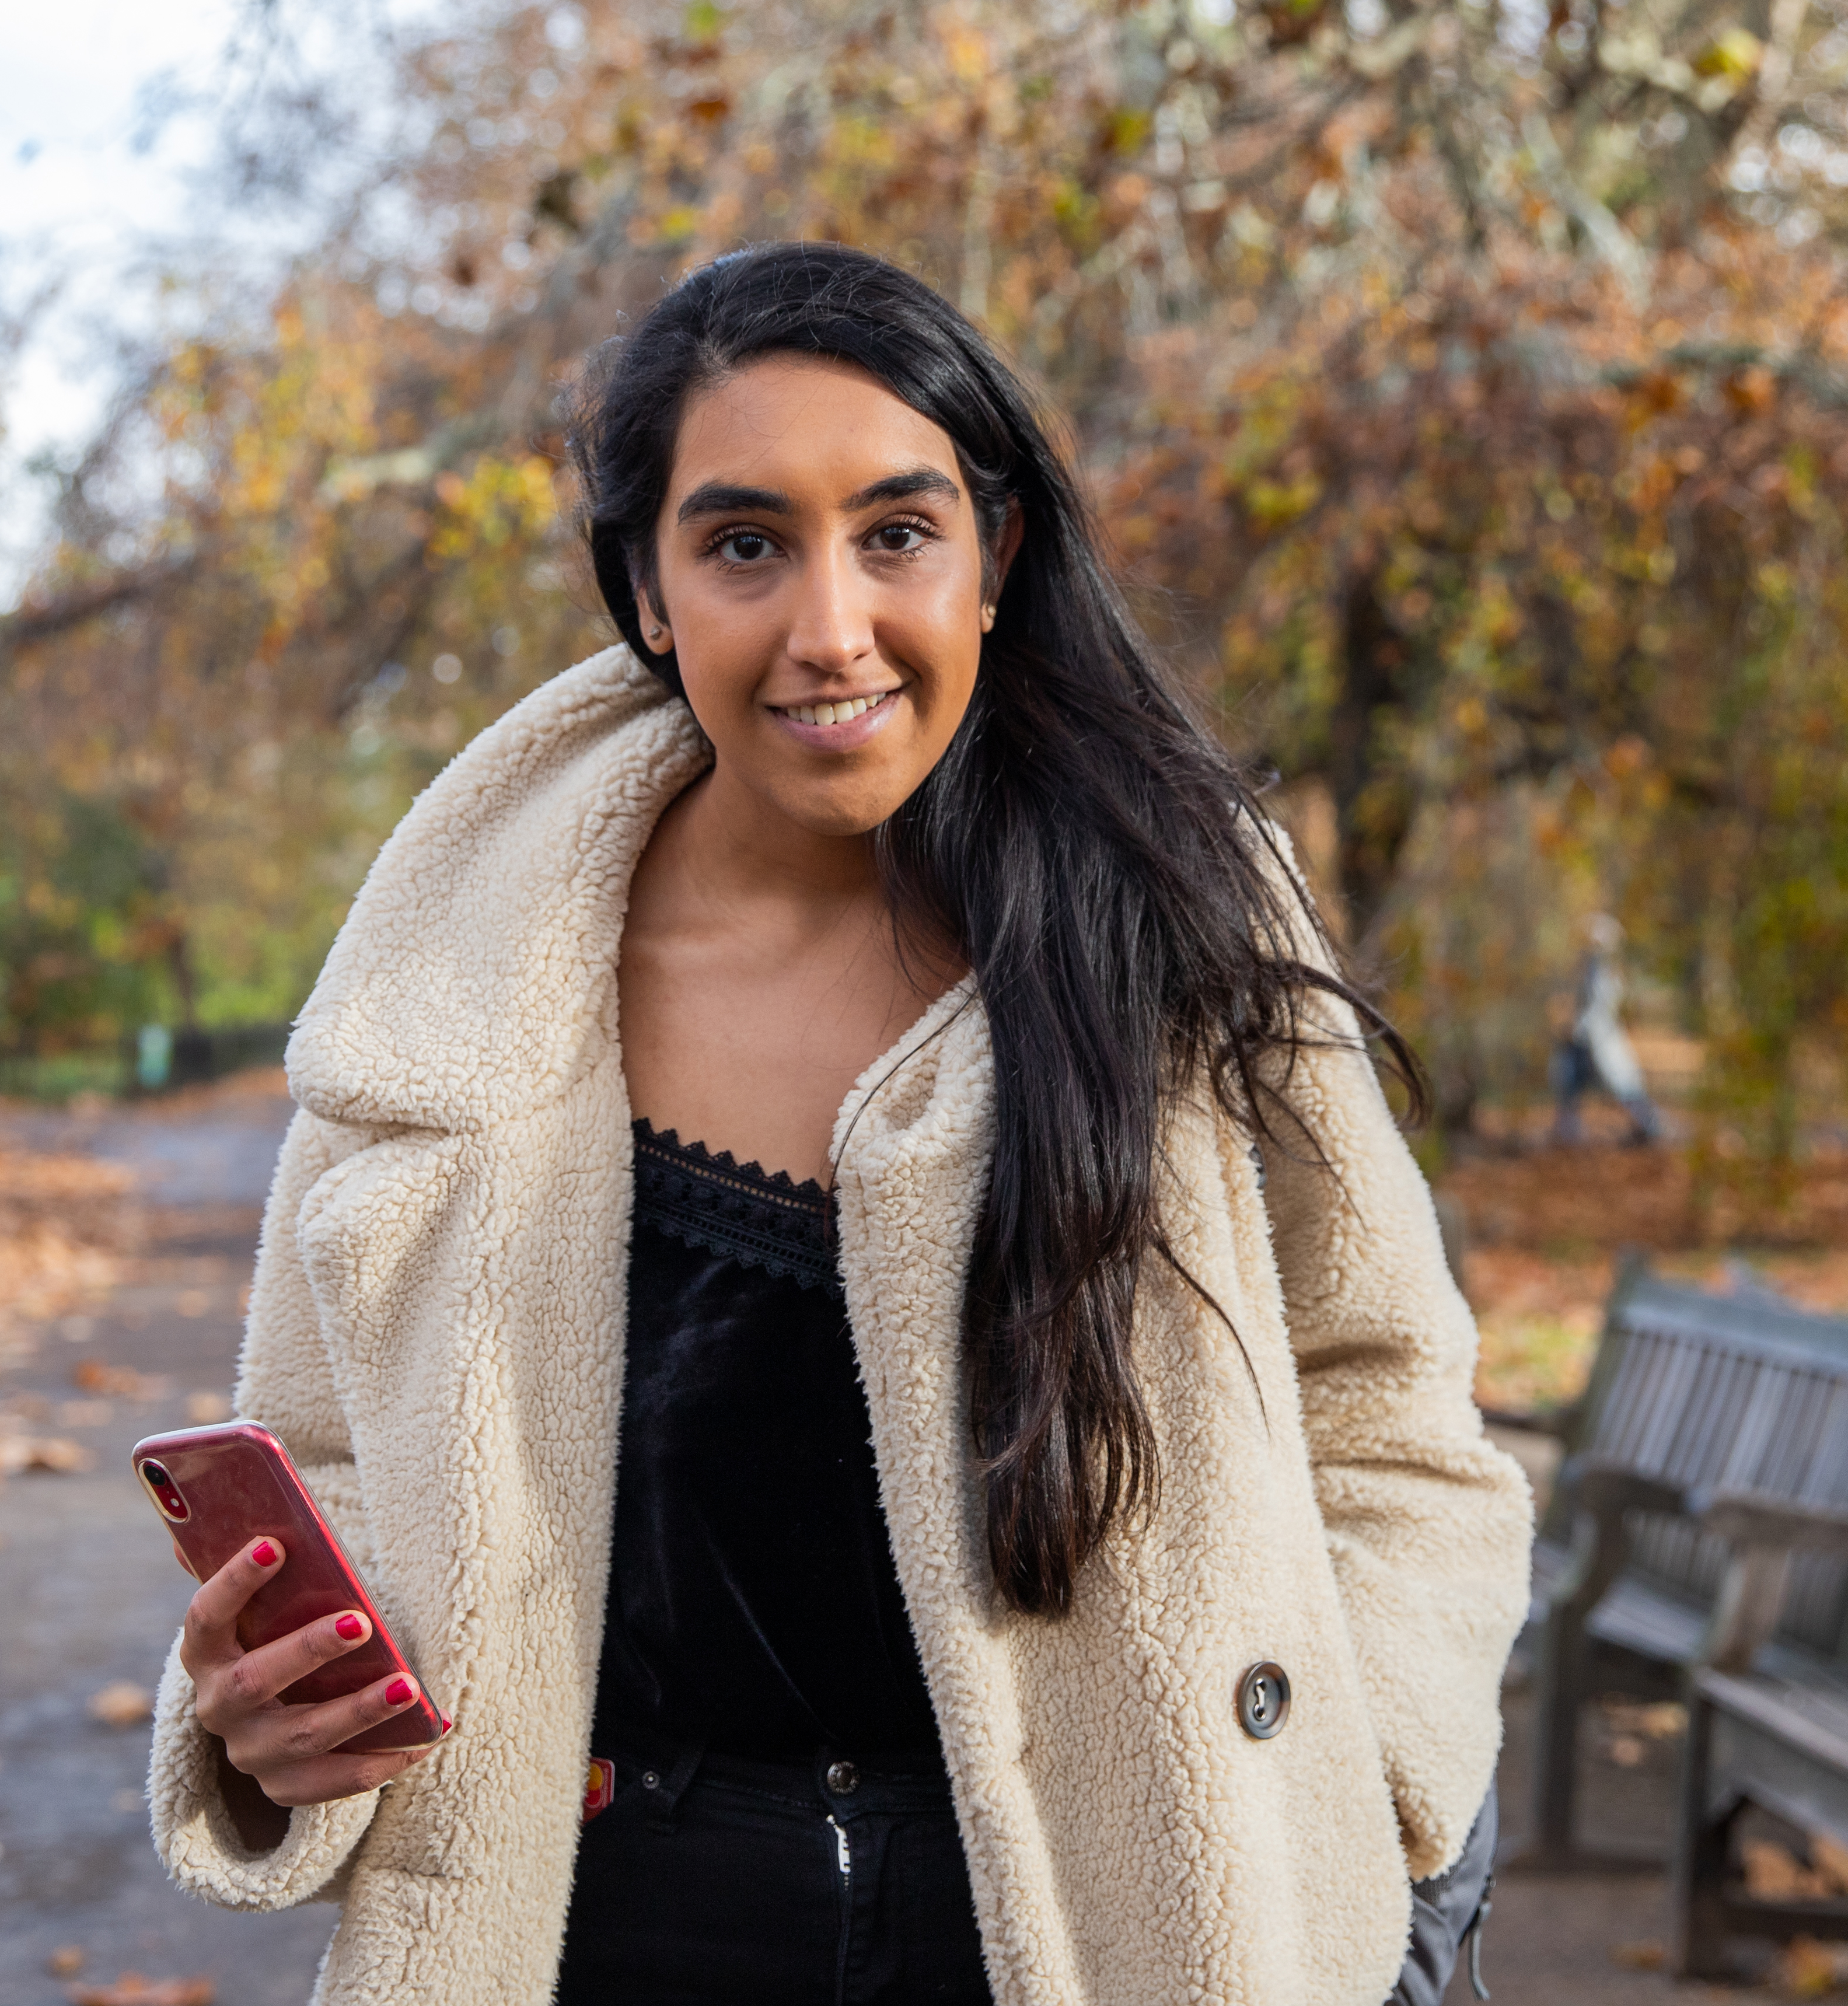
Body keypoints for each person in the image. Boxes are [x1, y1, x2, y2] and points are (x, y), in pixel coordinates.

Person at [142, 243, 1532, 2004]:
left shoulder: (1177, 915)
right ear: (643, 592)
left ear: (995, 557)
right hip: (603, 1931)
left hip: (1110, 1926)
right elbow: (326, 1465)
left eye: (896, 533)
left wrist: (1364, 1789)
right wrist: (268, 1729)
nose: (828, 627)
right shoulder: (461, 982)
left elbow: (1392, 1410)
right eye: (742, 545)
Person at [1546, 913, 1665, 1148]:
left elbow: (1600, 1009)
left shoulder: (1604, 972)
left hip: (1600, 1039)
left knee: (1624, 1084)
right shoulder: (1593, 969)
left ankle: (1649, 1127)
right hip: (1586, 1040)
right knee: (1569, 1080)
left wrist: (1579, 1030)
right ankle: (1567, 1131)